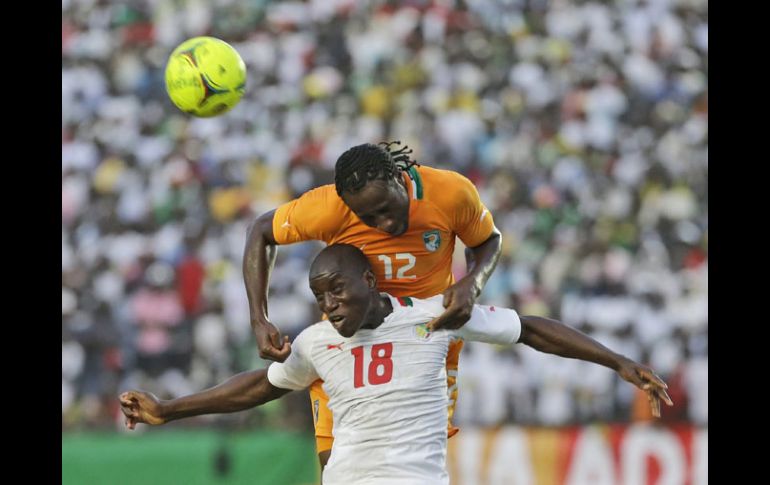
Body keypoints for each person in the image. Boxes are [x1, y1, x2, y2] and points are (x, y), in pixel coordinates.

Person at [121, 244, 673, 485]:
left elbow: (529, 329)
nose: (329, 304)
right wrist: (169, 409)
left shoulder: (435, 316)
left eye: (337, 290)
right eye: (320, 298)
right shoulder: (317, 341)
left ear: (370, 281)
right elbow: (257, 387)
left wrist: (618, 362)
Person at [243, 141, 502, 466]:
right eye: (368, 217)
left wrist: (472, 284)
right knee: (336, 464)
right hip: (347, 343)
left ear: (398, 178)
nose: (384, 224)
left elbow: (488, 240)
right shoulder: (328, 207)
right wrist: (259, 317)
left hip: (426, 343)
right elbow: (260, 231)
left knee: (415, 460)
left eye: (386, 207)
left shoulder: (449, 192)